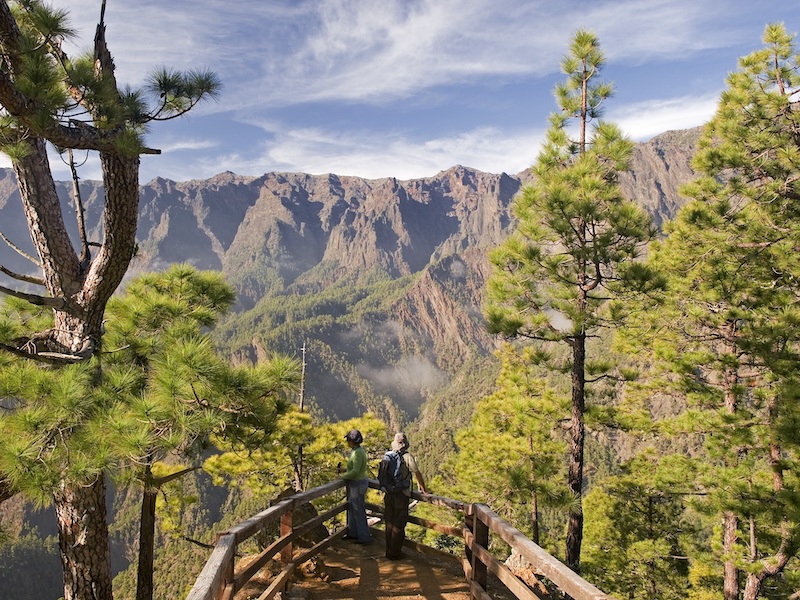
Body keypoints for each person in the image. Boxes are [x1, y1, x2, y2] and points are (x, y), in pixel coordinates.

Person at [383, 432, 428, 560]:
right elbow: (417, 473)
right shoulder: (407, 457)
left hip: (388, 493)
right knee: (399, 524)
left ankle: (388, 551)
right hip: (401, 495)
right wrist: (423, 489)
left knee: (389, 523)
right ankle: (395, 554)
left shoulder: (388, 456)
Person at [338, 429, 372, 544]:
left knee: (358, 511)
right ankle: (353, 534)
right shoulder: (358, 451)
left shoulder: (357, 453)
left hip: (357, 484)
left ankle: (364, 538)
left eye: (348, 439)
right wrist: (345, 470)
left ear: (352, 441)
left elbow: (356, 471)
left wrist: (343, 477)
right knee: (353, 509)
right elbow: (355, 468)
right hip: (357, 483)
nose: (347, 442)